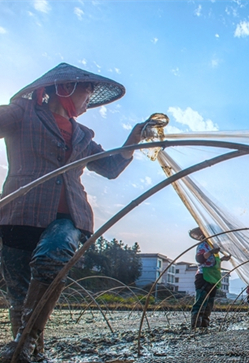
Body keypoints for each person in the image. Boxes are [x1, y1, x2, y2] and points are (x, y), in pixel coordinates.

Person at [0, 63, 147, 362]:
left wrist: (134, 138)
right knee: (19, 293)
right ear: (64, 87)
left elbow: (110, 167)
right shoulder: (22, 112)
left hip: (68, 216)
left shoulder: (83, 135)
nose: (89, 98)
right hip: (19, 211)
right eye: (86, 89)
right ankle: (30, 352)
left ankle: (22, 344)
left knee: (53, 256)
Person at [189, 226, 231, 329]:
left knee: (209, 303)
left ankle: (204, 325)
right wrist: (211, 252)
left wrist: (222, 259)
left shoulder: (212, 246)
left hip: (213, 278)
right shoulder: (203, 245)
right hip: (203, 277)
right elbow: (200, 259)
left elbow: (212, 262)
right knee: (201, 301)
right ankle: (195, 325)